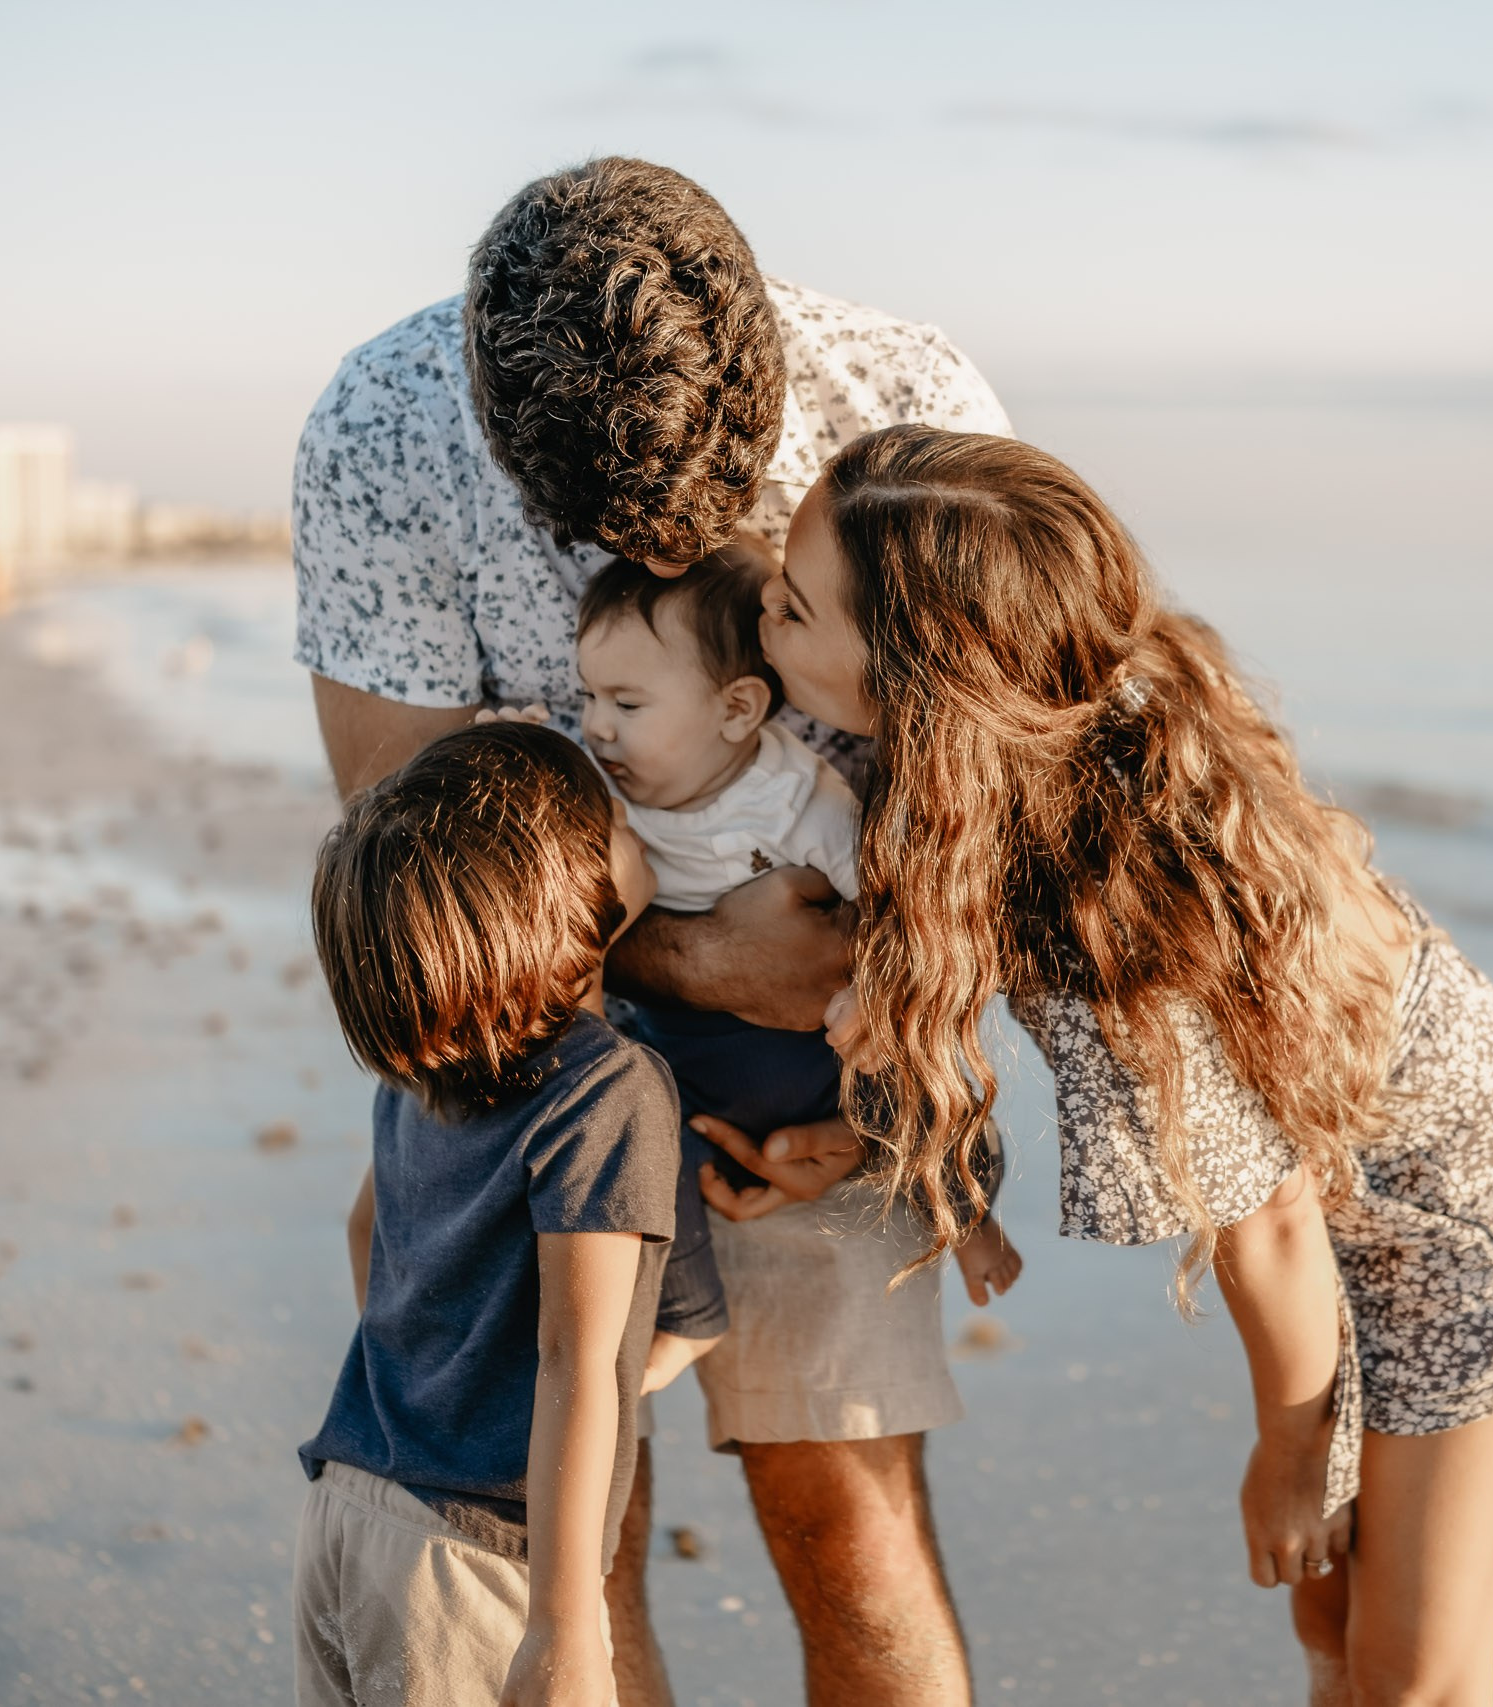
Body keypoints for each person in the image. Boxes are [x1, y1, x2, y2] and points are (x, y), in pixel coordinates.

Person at [775, 425, 1493, 1707]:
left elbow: (1272, 1222)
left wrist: (1288, 1450)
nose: (760, 623)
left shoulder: (1110, 901)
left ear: (921, 676)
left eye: (791, 609)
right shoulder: (1044, 721)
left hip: (1485, 1237)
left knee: (1416, 1677)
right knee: (1333, 1631)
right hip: (1360, 1222)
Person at [293, 156, 1007, 1705]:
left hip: (819, 1046)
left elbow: (991, 814)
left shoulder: (903, 400)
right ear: (492, 425)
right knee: (565, 1526)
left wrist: (900, 1081)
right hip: (527, 1053)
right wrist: (691, 960)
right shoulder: (384, 434)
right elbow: (413, 863)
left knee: (850, 1527)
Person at [293, 721, 682, 1707]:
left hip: (349, 1508)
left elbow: (362, 1233)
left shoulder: (424, 1064)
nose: (641, 838)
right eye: (618, 831)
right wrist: (563, 1622)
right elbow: (575, 1360)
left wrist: (430, 1395)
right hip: (470, 1564)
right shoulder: (609, 1090)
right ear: (574, 903)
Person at [572, 544, 1024, 1369]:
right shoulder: (606, 790)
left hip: (814, 1057)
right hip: (689, 1057)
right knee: (635, 1135)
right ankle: (689, 1309)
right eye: (588, 696)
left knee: (930, 1094)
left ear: (738, 709)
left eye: (626, 703)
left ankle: (967, 1212)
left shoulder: (796, 798)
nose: (597, 724)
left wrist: (872, 999)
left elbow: (898, 911)